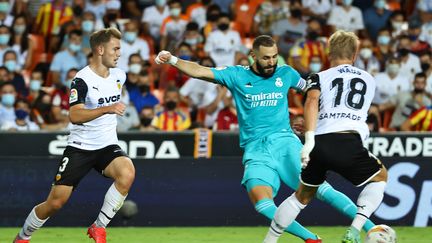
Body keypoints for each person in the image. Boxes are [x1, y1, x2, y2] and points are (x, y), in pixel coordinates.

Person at [154, 34, 375, 243]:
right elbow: (200, 71)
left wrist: (312, 122)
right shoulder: (237, 75)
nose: (271, 62)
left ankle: (371, 228)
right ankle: (310, 237)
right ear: (254, 55)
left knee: (322, 191)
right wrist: (173, 59)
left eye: (274, 57)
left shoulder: (286, 73)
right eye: (266, 58)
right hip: (255, 149)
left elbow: (313, 94)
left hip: (285, 143)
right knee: (261, 201)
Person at [263, 30, 388, 243]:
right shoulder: (369, 79)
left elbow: (312, 102)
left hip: (319, 144)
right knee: (381, 176)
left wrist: (310, 137)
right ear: (355, 54)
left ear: (329, 53)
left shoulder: (318, 76)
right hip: (348, 141)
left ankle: (269, 241)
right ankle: (355, 230)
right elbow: (344, 111)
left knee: (300, 198)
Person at [13, 27, 135, 243]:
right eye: (115, 49)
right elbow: (75, 115)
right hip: (81, 147)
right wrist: (106, 109)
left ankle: (99, 227)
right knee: (55, 203)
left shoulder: (119, 75)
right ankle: (23, 236)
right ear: (100, 49)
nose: (119, 53)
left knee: (127, 172)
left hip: (107, 145)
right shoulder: (82, 80)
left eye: (119, 49)